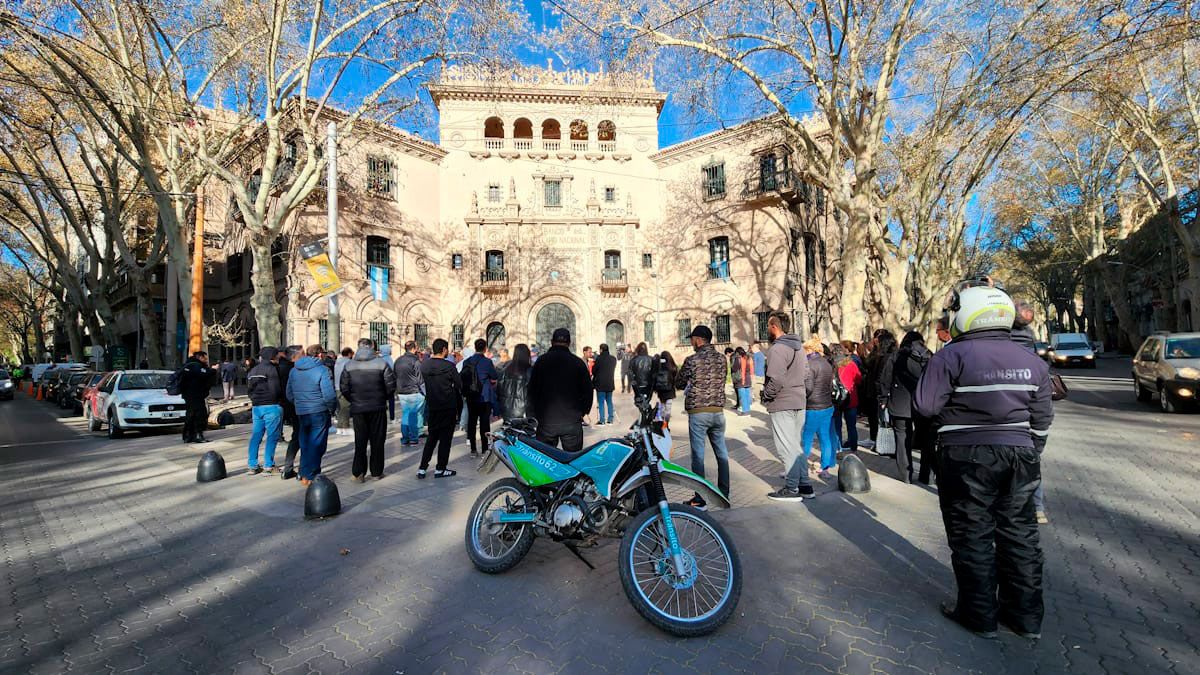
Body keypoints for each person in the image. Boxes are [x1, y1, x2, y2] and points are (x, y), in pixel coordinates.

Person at [914, 285, 1052, 641]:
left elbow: (925, 406)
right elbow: (1042, 418)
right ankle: (1025, 619)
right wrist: (1031, 449)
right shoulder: (1033, 361)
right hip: (1020, 455)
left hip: (966, 456)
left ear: (967, 314)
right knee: (1020, 535)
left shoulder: (951, 356)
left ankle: (979, 616)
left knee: (971, 534)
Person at [674, 325, 730, 510]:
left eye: (692, 339)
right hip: (718, 412)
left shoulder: (692, 360)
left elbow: (679, 383)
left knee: (698, 456)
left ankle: (700, 498)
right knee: (721, 453)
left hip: (698, 413)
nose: (691, 342)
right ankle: (724, 493)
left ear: (698, 340)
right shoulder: (722, 359)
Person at [762, 312, 813, 501]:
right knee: (795, 446)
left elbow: (776, 379)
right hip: (799, 401)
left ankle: (792, 489)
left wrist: (767, 395)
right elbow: (807, 376)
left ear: (774, 326)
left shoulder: (777, 349)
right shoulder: (799, 348)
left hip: (782, 402)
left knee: (786, 447)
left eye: (768, 326)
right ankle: (805, 485)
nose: (767, 329)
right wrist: (802, 394)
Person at [1010, 300, 1048, 524]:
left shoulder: (998, 345)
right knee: (1032, 463)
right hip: (1028, 424)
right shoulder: (1035, 360)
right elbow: (1043, 411)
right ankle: (1037, 508)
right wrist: (1040, 439)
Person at [879, 331, 932, 484]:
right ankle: (926, 475)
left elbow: (885, 379)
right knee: (927, 439)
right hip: (924, 403)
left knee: (902, 438)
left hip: (899, 402)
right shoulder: (930, 356)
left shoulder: (896, 356)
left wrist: (883, 399)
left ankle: (906, 475)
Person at [341, 338, 396, 482]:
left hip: (358, 407)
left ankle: (358, 472)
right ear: (372, 347)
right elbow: (391, 386)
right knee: (377, 440)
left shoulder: (349, 365)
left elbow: (344, 387)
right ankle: (376, 471)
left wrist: (354, 399)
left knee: (360, 440)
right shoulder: (382, 363)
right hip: (377, 407)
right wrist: (383, 398)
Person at [528, 328, 592, 452]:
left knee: (546, 459)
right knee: (573, 460)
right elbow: (588, 391)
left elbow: (532, 391)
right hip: (571, 419)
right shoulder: (577, 363)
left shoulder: (541, 362)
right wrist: (583, 411)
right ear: (569, 343)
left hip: (547, 420)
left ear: (552, 342)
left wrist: (533, 415)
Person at [286, 345, 337, 486]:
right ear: (319, 355)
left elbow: (289, 393)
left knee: (305, 443)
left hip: (302, 411)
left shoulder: (294, 370)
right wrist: (331, 409)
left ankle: (304, 473)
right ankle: (312, 475)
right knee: (317, 444)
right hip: (319, 411)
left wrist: (299, 403)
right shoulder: (322, 370)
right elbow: (329, 395)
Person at [418, 338, 462, 478]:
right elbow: (459, 384)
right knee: (445, 439)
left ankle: (422, 468)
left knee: (432, 438)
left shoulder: (424, 365)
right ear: (444, 349)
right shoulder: (449, 366)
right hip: (448, 406)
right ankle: (440, 468)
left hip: (432, 405)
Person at [799, 336, 837, 481]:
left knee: (807, 438)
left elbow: (808, 388)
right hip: (827, 405)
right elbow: (829, 386)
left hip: (813, 407)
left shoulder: (809, 364)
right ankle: (825, 468)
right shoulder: (826, 363)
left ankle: (800, 468)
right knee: (825, 438)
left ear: (809, 349)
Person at [245, 347, 284, 475]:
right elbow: (275, 389)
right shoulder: (272, 369)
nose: (278, 357)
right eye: (277, 355)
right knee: (272, 436)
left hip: (257, 407)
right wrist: (278, 400)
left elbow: (249, 390)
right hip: (271, 406)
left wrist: (255, 400)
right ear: (272, 356)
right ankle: (268, 465)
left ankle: (252, 465)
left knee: (256, 436)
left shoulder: (253, 370)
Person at [461, 339, 500, 455]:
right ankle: (484, 448)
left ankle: (473, 448)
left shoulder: (467, 361)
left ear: (475, 347)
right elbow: (494, 376)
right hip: (484, 396)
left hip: (471, 396)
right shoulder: (487, 362)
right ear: (485, 348)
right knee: (484, 423)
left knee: (472, 422)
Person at [863, 331, 896, 444]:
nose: (875, 341)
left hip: (881, 393)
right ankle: (879, 441)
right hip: (879, 391)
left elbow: (881, 377)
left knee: (883, 419)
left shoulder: (886, 357)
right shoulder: (880, 354)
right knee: (880, 418)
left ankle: (883, 443)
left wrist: (880, 393)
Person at [277, 346, 304, 480]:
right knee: (305, 438)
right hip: (299, 406)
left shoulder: (281, 368)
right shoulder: (293, 369)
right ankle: (303, 470)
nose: (304, 356)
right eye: (302, 353)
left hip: (291, 406)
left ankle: (288, 468)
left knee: (296, 437)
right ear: (295, 356)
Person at [830, 344, 863, 452]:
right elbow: (858, 379)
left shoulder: (831, 364)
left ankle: (838, 448)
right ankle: (853, 447)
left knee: (837, 425)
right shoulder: (851, 364)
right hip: (850, 397)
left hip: (836, 398)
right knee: (851, 426)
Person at [394, 341, 425, 447]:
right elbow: (420, 378)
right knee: (413, 415)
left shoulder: (398, 360)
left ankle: (405, 439)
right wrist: (425, 392)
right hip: (413, 391)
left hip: (402, 392)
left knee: (406, 414)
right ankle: (413, 439)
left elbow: (395, 375)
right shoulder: (415, 361)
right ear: (414, 349)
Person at [179, 351, 214, 443]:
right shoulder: (196, 366)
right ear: (200, 357)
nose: (206, 361)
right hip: (196, 395)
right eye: (205, 358)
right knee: (200, 414)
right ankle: (197, 435)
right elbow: (204, 374)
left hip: (188, 395)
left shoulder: (187, 365)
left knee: (190, 414)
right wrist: (213, 370)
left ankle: (188, 435)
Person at [496, 343, 533, 422]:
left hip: (506, 409)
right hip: (524, 411)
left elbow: (498, 390)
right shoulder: (529, 371)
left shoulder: (505, 370)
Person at [592, 343, 617, 425]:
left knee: (601, 402)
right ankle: (610, 419)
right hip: (610, 383)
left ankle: (602, 420)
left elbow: (594, 371)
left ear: (601, 350)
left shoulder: (599, 359)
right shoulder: (613, 359)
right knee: (609, 401)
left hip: (600, 384)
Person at [651, 349, 677, 425]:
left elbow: (654, 376)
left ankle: (662, 423)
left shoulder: (659, 367)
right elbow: (675, 379)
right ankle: (666, 424)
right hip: (670, 391)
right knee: (668, 409)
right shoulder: (672, 367)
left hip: (661, 391)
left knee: (662, 407)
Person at [333, 347, 353, 436]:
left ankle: (339, 427)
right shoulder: (348, 362)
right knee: (346, 407)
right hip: (345, 387)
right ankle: (345, 427)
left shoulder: (337, 362)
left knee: (341, 408)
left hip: (337, 386)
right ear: (349, 354)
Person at [629, 342, 655, 409]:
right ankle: (646, 411)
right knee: (646, 401)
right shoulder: (652, 359)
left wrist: (633, 384)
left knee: (640, 401)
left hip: (638, 384)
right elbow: (654, 372)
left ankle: (645, 411)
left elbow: (630, 374)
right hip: (649, 384)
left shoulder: (633, 360)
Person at [731, 346, 753, 416]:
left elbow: (734, 368)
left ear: (737, 352)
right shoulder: (749, 357)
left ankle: (745, 411)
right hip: (748, 378)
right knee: (747, 395)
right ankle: (748, 410)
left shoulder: (738, 358)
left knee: (742, 396)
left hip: (740, 379)